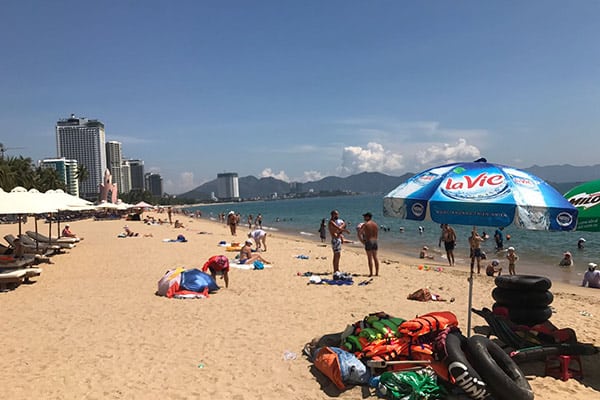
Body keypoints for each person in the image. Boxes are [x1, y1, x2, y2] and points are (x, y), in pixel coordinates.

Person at [358, 212, 379, 277]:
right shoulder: (375, 224)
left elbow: (359, 233)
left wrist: (362, 241)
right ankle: (376, 273)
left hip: (368, 241)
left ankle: (371, 273)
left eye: (365, 216)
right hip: (375, 241)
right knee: (375, 257)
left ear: (368, 217)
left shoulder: (365, 224)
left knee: (369, 258)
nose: (364, 218)